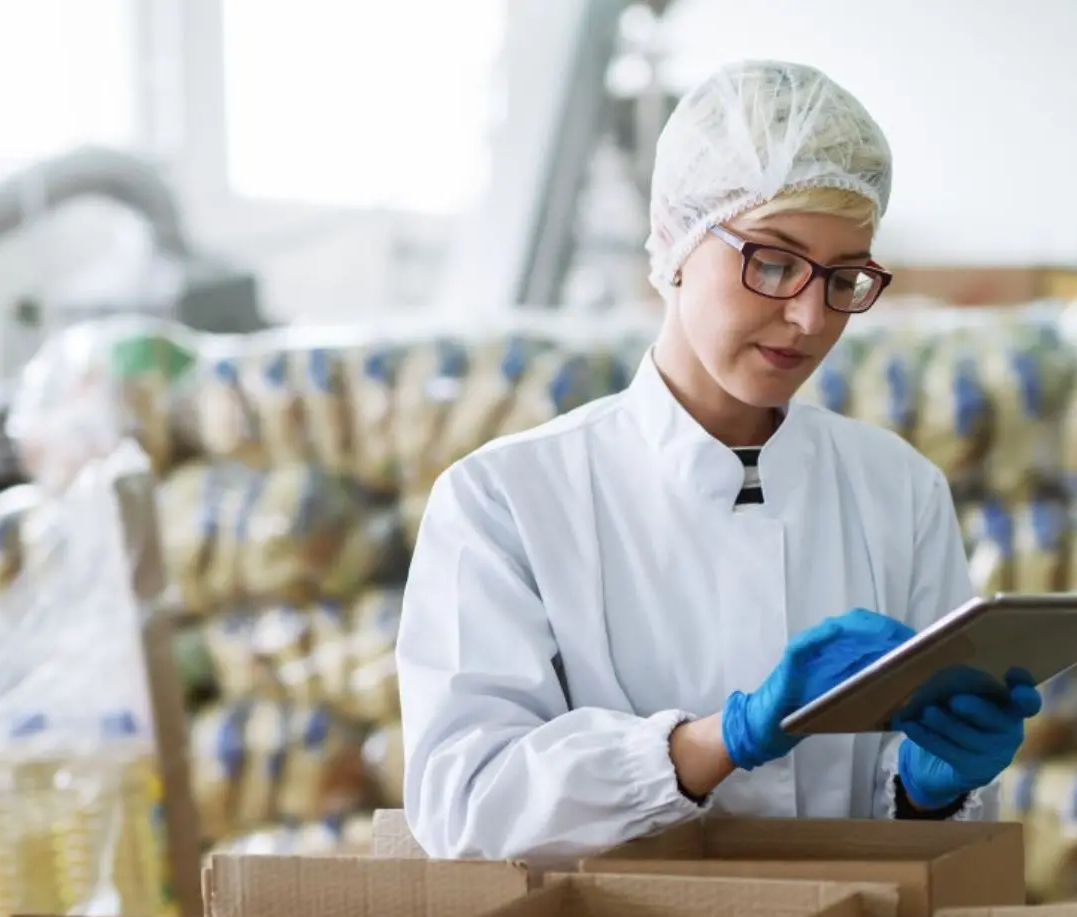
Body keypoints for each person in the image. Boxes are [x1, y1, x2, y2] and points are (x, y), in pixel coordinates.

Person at [396, 59, 1041, 861]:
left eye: (845, 277)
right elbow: (463, 803)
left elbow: (927, 842)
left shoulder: (897, 490)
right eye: (772, 260)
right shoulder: (507, 498)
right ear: (674, 242)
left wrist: (929, 791)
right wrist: (717, 742)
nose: (809, 316)